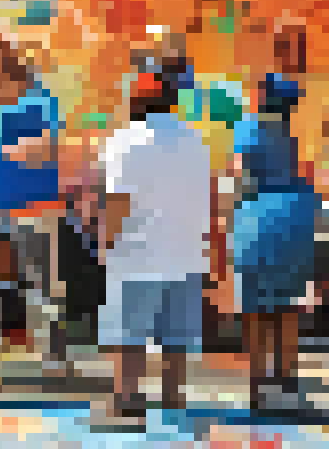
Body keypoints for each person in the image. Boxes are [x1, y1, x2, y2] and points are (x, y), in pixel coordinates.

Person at [96, 68, 212, 423]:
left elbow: (117, 200)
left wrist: (106, 241)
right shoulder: (195, 138)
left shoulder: (125, 140)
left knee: (127, 334)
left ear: (137, 100)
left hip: (138, 251)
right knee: (176, 337)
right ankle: (173, 399)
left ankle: (126, 400)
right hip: (186, 248)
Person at [0, 30, 69, 375]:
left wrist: (10, 154)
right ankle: (12, 347)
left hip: (37, 206)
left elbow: (49, 148)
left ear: (5, 65)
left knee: (43, 278)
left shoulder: (39, 100)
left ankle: (51, 352)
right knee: (4, 277)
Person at [228, 72, 322, 414]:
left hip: (257, 220)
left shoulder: (247, 129)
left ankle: (257, 388)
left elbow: (242, 179)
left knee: (256, 311)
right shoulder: (289, 135)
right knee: (286, 308)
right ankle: (286, 382)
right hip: (294, 220)